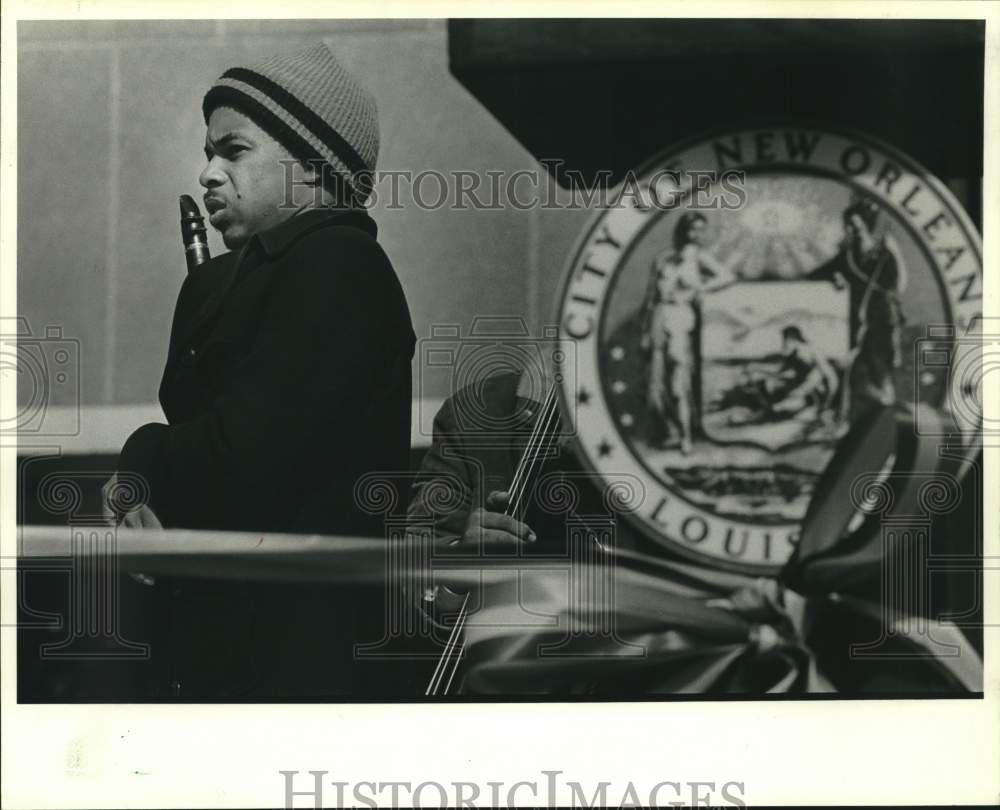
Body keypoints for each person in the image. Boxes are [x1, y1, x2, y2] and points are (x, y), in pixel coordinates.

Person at [104, 43, 416, 697]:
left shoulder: (337, 264)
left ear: (314, 168)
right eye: (209, 153)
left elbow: (238, 456)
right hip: (241, 643)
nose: (208, 174)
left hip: (297, 658)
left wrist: (139, 456)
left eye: (233, 151)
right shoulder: (256, 274)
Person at [641, 212, 741, 454]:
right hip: (659, 316)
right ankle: (667, 430)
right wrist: (645, 329)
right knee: (655, 380)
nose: (696, 234)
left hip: (681, 316)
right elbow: (651, 297)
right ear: (683, 229)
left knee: (678, 379)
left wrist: (700, 289)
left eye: (700, 229)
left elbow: (728, 277)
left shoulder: (700, 258)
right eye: (692, 228)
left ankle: (686, 435)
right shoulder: (663, 258)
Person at [808, 199, 907, 418]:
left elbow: (898, 285)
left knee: (880, 372)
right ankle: (847, 418)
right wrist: (833, 279)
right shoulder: (848, 257)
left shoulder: (884, 253)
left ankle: (887, 418)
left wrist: (896, 253)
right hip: (857, 323)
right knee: (851, 372)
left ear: (866, 224)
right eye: (848, 225)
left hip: (883, 321)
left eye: (855, 224)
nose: (850, 229)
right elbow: (817, 275)